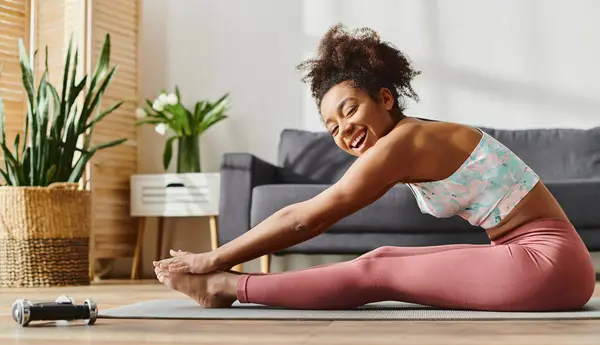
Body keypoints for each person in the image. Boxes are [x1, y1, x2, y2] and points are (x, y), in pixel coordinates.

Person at [154, 24, 595, 311]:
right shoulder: (410, 137)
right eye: (332, 127)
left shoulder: (406, 142)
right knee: (379, 258)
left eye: (350, 111)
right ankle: (224, 284)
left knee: (375, 273)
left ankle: (225, 287)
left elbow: (307, 218)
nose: (344, 130)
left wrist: (211, 257)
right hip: (538, 260)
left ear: (385, 99)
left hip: (546, 264)